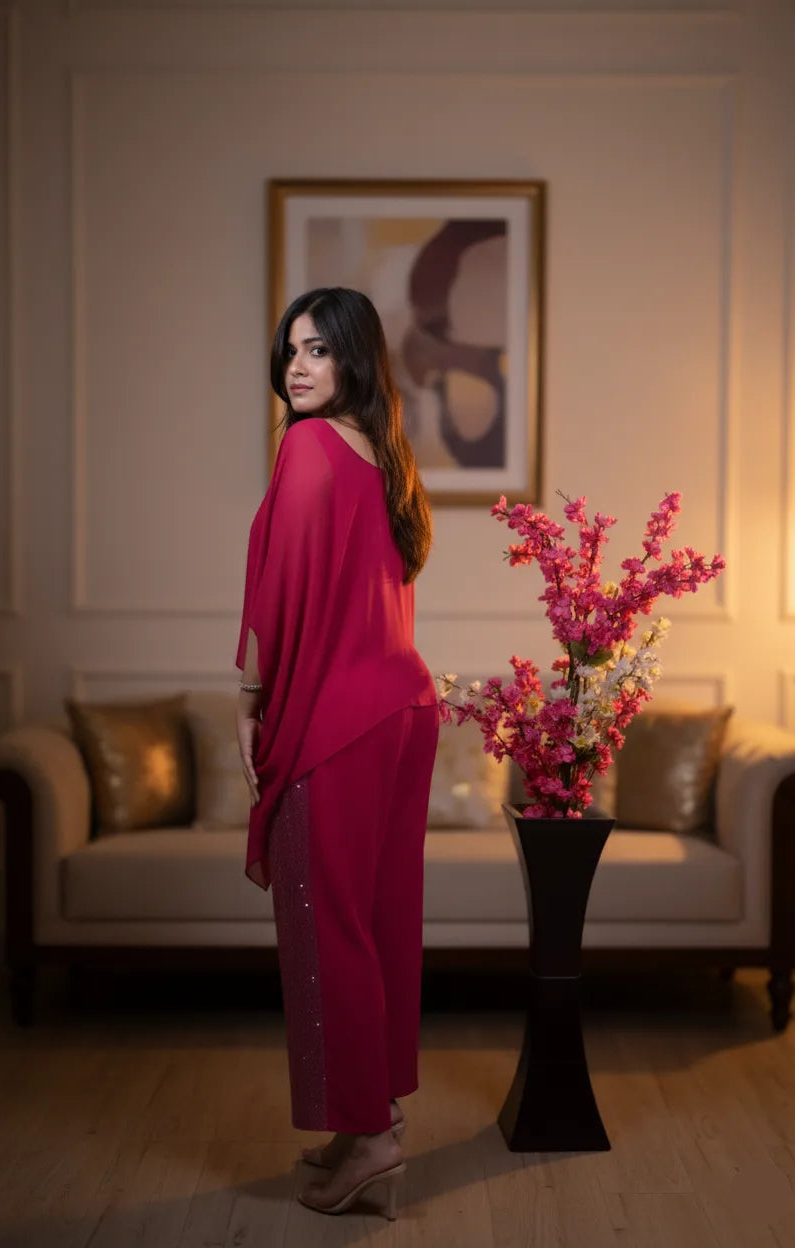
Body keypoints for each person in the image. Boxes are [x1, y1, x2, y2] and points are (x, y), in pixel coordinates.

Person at [234, 287, 440, 1219]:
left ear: (355, 356)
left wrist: (251, 700)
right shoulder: (385, 456)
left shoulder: (310, 445)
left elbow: (280, 587)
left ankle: (373, 1135)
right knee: (378, 921)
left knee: (330, 926)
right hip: (404, 708)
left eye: (318, 349)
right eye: (291, 351)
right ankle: (370, 1122)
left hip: (342, 720)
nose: (298, 367)